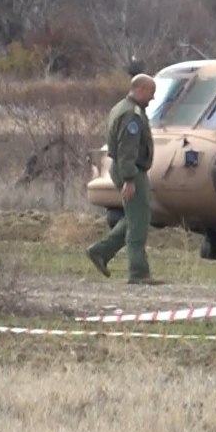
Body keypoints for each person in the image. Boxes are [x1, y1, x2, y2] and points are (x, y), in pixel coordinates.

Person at [86, 74, 162, 285]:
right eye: (151, 93)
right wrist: (129, 179)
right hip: (130, 171)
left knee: (134, 216)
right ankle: (138, 272)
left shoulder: (122, 108)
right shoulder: (132, 115)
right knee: (139, 221)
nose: (152, 98)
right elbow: (127, 150)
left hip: (127, 169)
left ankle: (100, 251)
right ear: (140, 90)